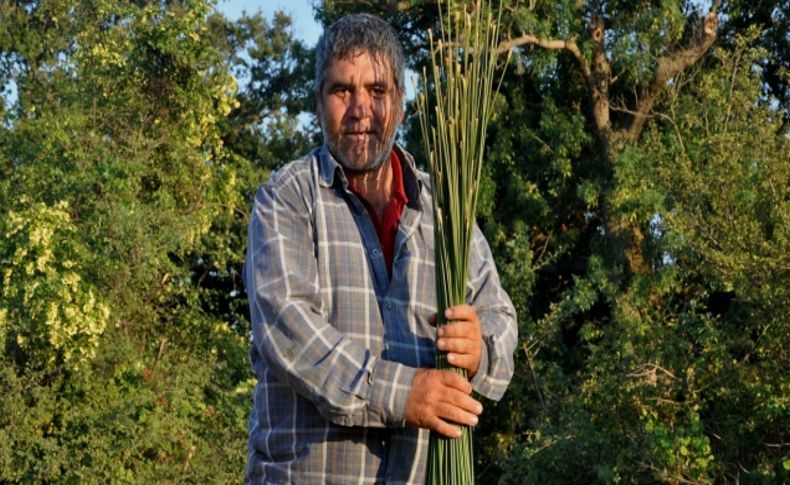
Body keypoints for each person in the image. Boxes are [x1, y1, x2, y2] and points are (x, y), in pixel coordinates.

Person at [244, 12, 517, 484]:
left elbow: (500, 318)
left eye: (377, 91)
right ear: (319, 102)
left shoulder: (445, 209)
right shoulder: (286, 198)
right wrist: (403, 392)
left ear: (401, 104)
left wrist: (480, 349)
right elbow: (288, 329)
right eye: (341, 91)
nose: (359, 109)